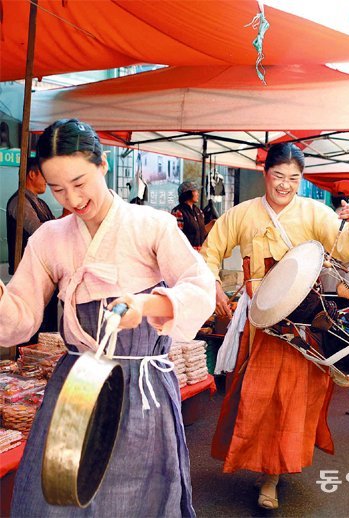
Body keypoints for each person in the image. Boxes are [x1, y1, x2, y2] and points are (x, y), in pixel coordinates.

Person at [0, 119, 216, 517]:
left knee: (136, 498)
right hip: (77, 383)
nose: (71, 199)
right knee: (61, 495)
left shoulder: (150, 225)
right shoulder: (49, 238)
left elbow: (200, 285)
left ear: (102, 165)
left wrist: (147, 306)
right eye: (58, 189)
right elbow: (20, 319)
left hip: (141, 386)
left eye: (79, 183)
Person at [200, 142, 349, 511]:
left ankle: (273, 475)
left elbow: (346, 250)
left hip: (301, 322)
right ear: (265, 173)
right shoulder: (242, 214)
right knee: (255, 396)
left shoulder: (314, 212)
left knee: (290, 400)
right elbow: (210, 250)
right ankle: (260, 464)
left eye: (294, 179)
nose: (285, 185)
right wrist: (212, 282)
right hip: (259, 322)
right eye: (278, 176)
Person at [6, 156, 58, 338]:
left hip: (45, 275)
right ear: (32, 174)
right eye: (44, 175)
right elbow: (39, 231)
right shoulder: (19, 202)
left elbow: (55, 230)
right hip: (28, 276)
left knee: (47, 331)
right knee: (31, 332)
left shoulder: (40, 203)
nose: (48, 181)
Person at [171, 181, 211, 251]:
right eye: (195, 191)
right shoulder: (178, 212)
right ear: (187, 194)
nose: (198, 194)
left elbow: (201, 231)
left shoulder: (199, 211)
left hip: (201, 253)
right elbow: (177, 236)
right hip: (187, 253)